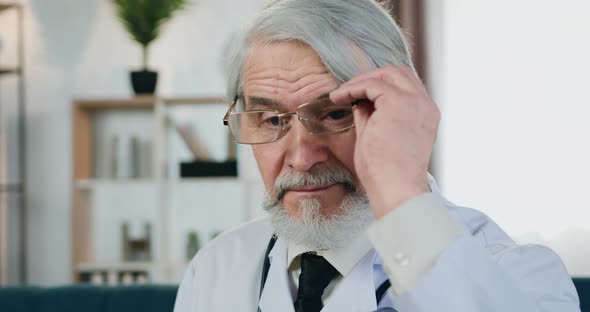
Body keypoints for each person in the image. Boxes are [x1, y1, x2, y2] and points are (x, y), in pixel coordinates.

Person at [173, 0, 580, 311]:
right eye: (270, 119)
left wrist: (402, 189)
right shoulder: (213, 271)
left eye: (334, 114)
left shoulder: (522, 278)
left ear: (399, 109)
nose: (300, 157)